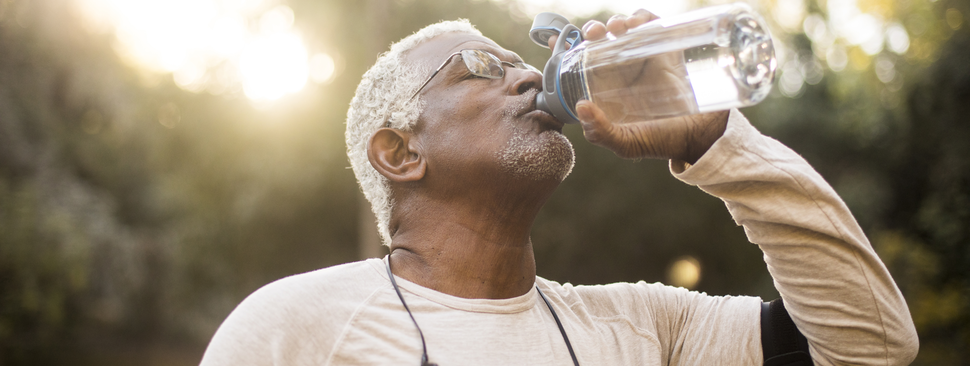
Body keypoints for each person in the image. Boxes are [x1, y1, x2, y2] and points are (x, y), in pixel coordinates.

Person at [200, 10, 918, 366]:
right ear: (400, 152)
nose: (524, 77)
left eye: (525, 63)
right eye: (479, 65)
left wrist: (714, 142)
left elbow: (872, 346)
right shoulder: (297, 328)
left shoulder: (644, 329)